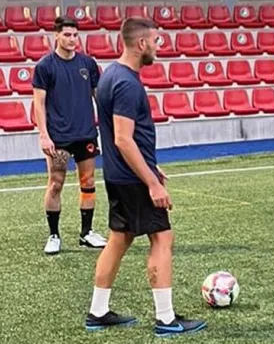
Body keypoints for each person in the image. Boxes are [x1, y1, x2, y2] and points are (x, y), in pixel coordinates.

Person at [85, 18, 205, 336]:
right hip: (132, 180)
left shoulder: (111, 75)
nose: (157, 46)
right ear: (141, 44)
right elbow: (122, 138)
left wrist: (152, 166)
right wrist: (151, 182)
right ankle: (165, 319)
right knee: (162, 238)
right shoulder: (126, 83)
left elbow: (123, 137)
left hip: (119, 175)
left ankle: (97, 311)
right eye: (155, 40)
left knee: (119, 239)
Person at [32, 16, 107, 255]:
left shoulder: (88, 64)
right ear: (56, 36)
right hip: (59, 137)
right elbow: (39, 104)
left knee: (89, 183)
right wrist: (44, 135)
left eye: (75, 35)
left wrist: (109, 129)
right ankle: (54, 235)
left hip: (85, 133)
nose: (72, 39)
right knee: (56, 184)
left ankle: (86, 233)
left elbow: (99, 98)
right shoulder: (45, 66)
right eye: (66, 35)